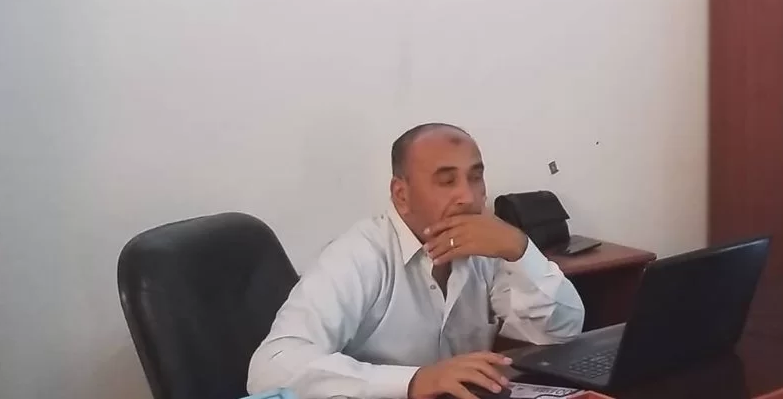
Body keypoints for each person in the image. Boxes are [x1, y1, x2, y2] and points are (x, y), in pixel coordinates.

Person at [248, 123, 585, 399]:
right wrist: (414, 381)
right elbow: (270, 370)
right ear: (402, 196)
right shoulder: (359, 255)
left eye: (475, 177)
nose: (468, 197)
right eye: (447, 181)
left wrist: (520, 249)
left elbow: (561, 332)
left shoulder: (486, 248)